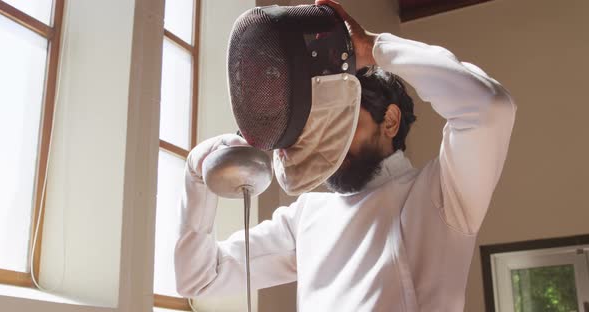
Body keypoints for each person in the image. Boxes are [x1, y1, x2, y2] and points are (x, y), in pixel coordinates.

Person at [174, 0, 516, 311]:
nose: (326, 142)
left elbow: (489, 109)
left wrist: (373, 48)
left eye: (343, 122)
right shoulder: (307, 217)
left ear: (390, 121)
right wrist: (197, 174)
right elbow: (200, 277)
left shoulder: (440, 195)